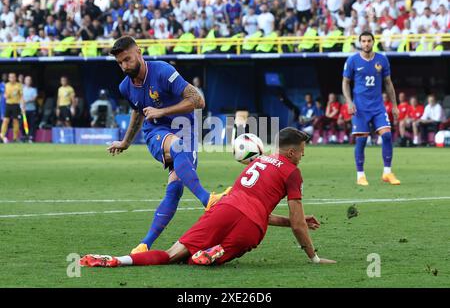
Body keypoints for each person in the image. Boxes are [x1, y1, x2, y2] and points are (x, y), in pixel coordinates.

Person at [79, 128, 337, 268]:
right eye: (302, 152)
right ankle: (216, 252)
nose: (303, 156)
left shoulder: (256, 164)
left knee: (172, 255)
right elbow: (295, 223)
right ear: (291, 152)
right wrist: (313, 256)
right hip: (251, 226)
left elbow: (252, 205)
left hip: (225, 207)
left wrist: (297, 219)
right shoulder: (292, 172)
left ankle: (118, 260)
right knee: (200, 258)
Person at [106, 36, 229, 254]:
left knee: (175, 189)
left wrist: (162, 111)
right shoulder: (125, 86)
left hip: (186, 130)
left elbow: (198, 101)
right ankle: (207, 198)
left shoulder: (162, 71)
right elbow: (137, 112)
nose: (124, 66)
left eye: (127, 59)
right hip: (156, 132)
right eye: (120, 63)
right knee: (177, 146)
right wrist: (125, 142)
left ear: (139, 53)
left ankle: (144, 245)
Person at [342, 31, 400, 186]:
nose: (366, 43)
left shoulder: (382, 59)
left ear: (373, 42)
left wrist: (394, 105)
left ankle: (387, 173)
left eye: (369, 41)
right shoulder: (353, 60)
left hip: (378, 106)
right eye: (363, 41)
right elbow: (345, 82)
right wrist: (349, 102)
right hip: (360, 108)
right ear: (360, 43)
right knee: (361, 140)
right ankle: (360, 175)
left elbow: (388, 83)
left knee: (387, 136)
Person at [0, 72, 23, 143]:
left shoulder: (19, 85)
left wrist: (23, 106)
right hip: (8, 105)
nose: (11, 78)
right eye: (10, 77)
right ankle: (2, 136)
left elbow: (21, 96)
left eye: (13, 77)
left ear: (15, 78)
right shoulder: (6, 85)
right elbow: (4, 95)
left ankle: (15, 138)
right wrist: (5, 96)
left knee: (15, 121)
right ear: (8, 78)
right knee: (5, 121)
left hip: (16, 105)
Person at [22, 76, 38, 142]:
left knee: (32, 124)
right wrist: (22, 106)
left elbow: (34, 98)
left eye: (29, 80)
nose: (28, 81)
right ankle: (25, 136)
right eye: (27, 80)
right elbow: (20, 99)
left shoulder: (33, 90)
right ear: (24, 81)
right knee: (24, 124)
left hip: (32, 109)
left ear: (31, 81)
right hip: (24, 109)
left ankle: (31, 137)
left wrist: (27, 101)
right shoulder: (22, 89)